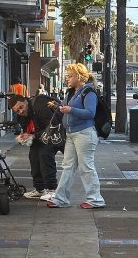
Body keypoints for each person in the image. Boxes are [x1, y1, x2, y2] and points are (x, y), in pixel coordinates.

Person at [46, 63, 105, 209]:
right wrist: (58, 108)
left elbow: (90, 113)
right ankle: (61, 198)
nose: (68, 79)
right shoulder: (73, 92)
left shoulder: (88, 92)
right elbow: (68, 112)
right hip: (73, 134)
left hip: (84, 133)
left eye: (70, 76)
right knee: (68, 167)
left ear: (79, 77)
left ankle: (95, 199)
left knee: (86, 167)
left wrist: (70, 109)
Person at [8, 93, 59, 201]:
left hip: (53, 134)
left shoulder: (39, 106)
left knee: (45, 157)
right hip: (39, 136)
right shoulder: (21, 116)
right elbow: (28, 129)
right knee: (34, 158)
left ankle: (51, 190)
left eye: (21, 107)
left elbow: (52, 126)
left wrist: (33, 135)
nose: (21, 111)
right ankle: (39, 189)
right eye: (17, 110)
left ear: (26, 101)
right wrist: (24, 136)